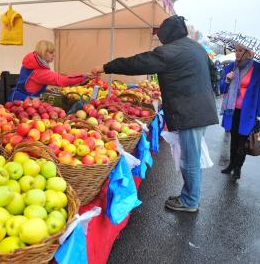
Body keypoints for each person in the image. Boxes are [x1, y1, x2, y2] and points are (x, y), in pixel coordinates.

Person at [91, 15, 219, 213]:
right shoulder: (197, 48)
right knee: (192, 156)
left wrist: (105, 67)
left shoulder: (169, 52)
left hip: (189, 112)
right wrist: (204, 92)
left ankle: (190, 201)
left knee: (190, 159)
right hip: (200, 109)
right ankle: (189, 196)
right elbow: (213, 73)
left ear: (167, 35)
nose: (161, 40)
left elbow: (136, 63)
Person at [219, 45, 260, 180]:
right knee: (233, 140)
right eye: (236, 50)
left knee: (242, 141)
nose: (236, 53)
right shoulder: (230, 67)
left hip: (249, 112)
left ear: (248, 53)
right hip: (232, 110)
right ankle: (231, 165)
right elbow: (222, 89)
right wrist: (227, 80)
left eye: (240, 50)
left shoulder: (259, 69)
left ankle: (238, 168)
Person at [8, 40, 90, 101]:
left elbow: (30, 82)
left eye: (54, 52)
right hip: (24, 102)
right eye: (51, 52)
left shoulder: (31, 63)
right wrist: (84, 76)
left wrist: (45, 88)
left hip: (16, 96)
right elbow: (62, 80)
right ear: (43, 53)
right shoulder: (40, 71)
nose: (54, 55)